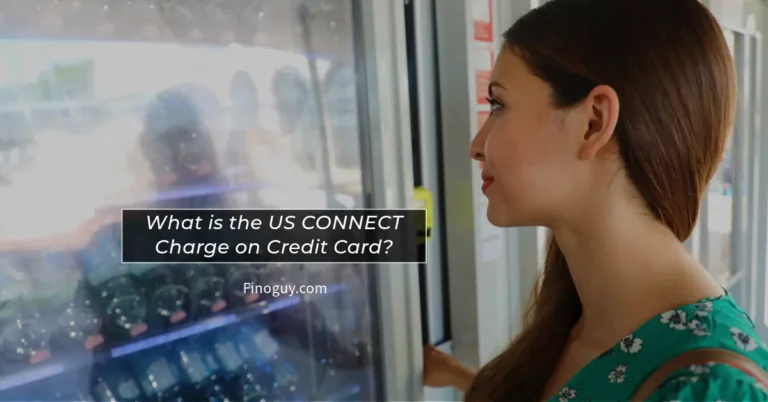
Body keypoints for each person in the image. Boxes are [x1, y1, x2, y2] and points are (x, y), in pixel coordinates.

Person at [423, 0, 768, 401]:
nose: (477, 146)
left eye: (498, 105)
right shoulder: (577, 321)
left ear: (594, 122)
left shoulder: (709, 389)